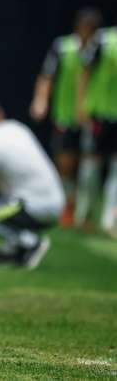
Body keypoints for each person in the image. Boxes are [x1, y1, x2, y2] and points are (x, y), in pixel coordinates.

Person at [0, 98, 64, 269]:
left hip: (32, 206)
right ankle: (11, 250)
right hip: (56, 203)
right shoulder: (16, 128)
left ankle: (30, 242)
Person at [29, 9, 102, 225]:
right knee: (65, 161)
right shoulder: (62, 47)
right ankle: (67, 205)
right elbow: (46, 76)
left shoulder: (101, 49)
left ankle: (85, 212)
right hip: (65, 115)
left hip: (93, 116)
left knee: (89, 163)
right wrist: (40, 100)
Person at [78, 23, 117, 235]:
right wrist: (81, 105)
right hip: (99, 114)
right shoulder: (104, 39)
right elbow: (84, 71)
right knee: (91, 164)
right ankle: (84, 214)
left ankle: (109, 220)